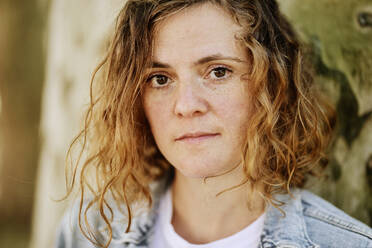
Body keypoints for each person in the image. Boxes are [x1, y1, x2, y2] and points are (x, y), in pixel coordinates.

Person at [55, 0, 372, 247]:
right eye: (160, 79)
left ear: (273, 82)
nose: (187, 105)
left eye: (218, 71)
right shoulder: (92, 233)